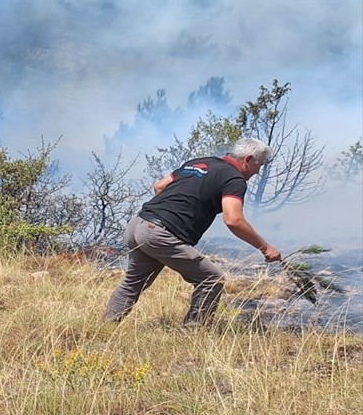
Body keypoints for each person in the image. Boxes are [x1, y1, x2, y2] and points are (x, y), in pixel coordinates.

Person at [103, 137, 283, 325]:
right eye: (259, 165)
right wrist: (265, 247)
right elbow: (233, 219)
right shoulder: (234, 179)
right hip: (158, 233)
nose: (257, 171)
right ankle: (193, 332)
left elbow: (159, 186)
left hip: (138, 224)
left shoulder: (199, 163)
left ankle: (106, 328)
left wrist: (170, 211)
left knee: (133, 283)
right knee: (211, 279)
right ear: (247, 159)